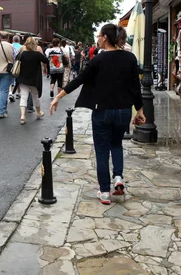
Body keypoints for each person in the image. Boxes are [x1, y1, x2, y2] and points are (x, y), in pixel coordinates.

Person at [49, 23, 146, 205]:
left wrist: (58, 97)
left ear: (105, 38)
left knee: (102, 151)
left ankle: (103, 191)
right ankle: (118, 178)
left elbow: (79, 80)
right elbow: (135, 87)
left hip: (102, 111)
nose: (97, 39)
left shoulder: (98, 60)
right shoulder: (130, 58)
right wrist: (140, 110)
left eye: (99, 36)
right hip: (123, 111)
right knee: (116, 145)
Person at [16, 37, 48, 124]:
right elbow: (46, 60)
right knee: (35, 97)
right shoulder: (37, 54)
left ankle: (23, 116)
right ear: (34, 44)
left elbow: (16, 60)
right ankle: (38, 113)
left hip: (22, 78)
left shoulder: (22, 54)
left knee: (23, 97)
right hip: (34, 80)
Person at [0, 34, 15, 118]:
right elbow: (15, 58)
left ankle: (3, 109)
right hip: (7, 71)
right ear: (8, 38)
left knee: (0, 90)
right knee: (4, 90)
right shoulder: (11, 46)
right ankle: (1, 111)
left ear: (0, 38)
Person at [9, 35, 23, 102]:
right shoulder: (22, 47)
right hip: (19, 65)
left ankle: (10, 93)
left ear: (12, 40)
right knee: (18, 79)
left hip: (11, 64)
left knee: (10, 80)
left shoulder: (10, 46)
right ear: (19, 40)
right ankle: (18, 93)